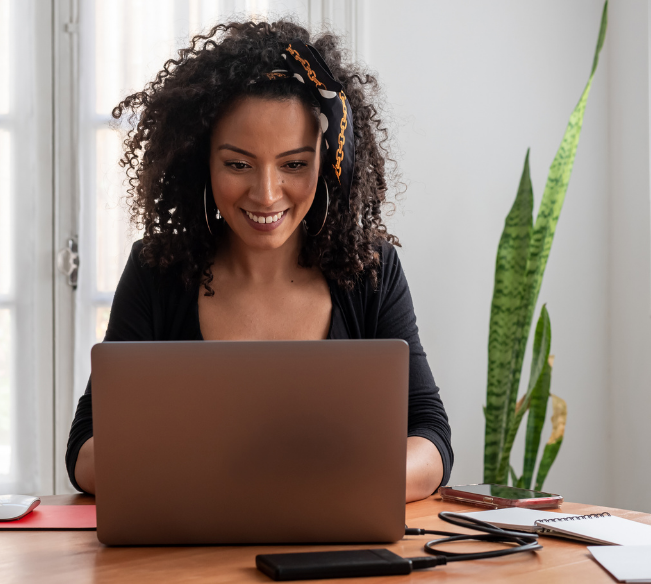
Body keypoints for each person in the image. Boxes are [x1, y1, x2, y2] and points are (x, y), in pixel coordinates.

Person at [66, 19, 452, 503]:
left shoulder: (371, 270)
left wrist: (317, 485)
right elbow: (86, 451)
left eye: (293, 164)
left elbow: (431, 437)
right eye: (238, 164)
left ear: (331, 161)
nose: (266, 194)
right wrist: (239, 481)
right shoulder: (155, 270)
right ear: (200, 161)